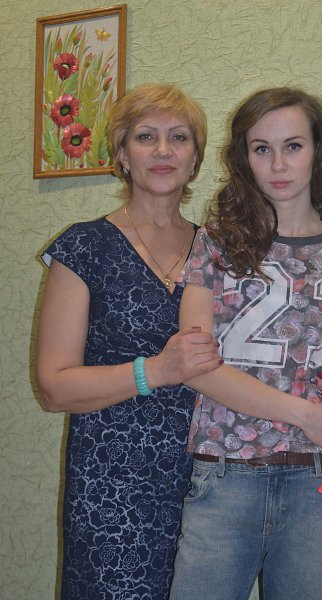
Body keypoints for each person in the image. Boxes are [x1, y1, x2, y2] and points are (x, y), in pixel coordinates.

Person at [169, 87, 322, 600]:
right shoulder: (216, 242)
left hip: (321, 482)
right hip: (226, 475)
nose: (278, 164)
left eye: (293, 146)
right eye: (261, 148)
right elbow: (197, 366)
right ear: (243, 157)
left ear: (318, 151)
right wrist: (304, 414)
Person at [35, 83, 222, 600]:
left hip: (211, 485)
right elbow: (53, 387)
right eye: (145, 137)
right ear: (121, 154)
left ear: (195, 158)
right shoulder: (84, 246)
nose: (163, 150)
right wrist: (156, 370)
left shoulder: (219, 251)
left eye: (179, 137)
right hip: (111, 488)